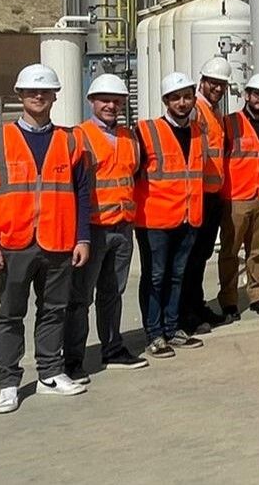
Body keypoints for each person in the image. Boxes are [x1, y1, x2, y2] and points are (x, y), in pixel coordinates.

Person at [0, 63, 94, 413]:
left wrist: (82, 237)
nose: (38, 96)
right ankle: (8, 382)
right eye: (31, 91)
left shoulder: (70, 140)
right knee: (10, 313)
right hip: (13, 243)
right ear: (20, 95)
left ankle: (49, 374)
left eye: (45, 91)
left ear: (55, 96)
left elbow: (82, 192)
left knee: (54, 310)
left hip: (58, 241)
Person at [64, 73, 146, 384]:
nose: (111, 106)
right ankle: (73, 359)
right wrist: (78, 234)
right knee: (80, 298)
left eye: (117, 101)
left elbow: (132, 176)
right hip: (93, 230)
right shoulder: (79, 137)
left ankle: (112, 348)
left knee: (113, 293)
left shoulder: (129, 138)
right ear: (91, 102)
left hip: (123, 228)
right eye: (105, 100)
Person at [135, 72, 216, 359]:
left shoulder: (197, 131)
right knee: (156, 277)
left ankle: (173, 328)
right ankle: (154, 334)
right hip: (155, 221)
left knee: (177, 276)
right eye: (176, 98)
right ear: (166, 101)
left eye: (187, 97)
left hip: (188, 217)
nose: (182, 103)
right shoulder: (146, 132)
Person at [219, 73, 259, 321]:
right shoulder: (230, 123)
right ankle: (229, 299)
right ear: (247, 95)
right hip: (236, 197)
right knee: (230, 251)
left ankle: (257, 295)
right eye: (258, 94)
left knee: (258, 250)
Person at [180, 56, 232, 334]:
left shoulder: (214, 112)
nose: (218, 88)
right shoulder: (196, 110)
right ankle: (186, 313)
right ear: (202, 81)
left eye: (222, 85)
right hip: (197, 194)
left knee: (200, 258)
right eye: (213, 83)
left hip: (212, 194)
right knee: (190, 259)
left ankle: (197, 305)